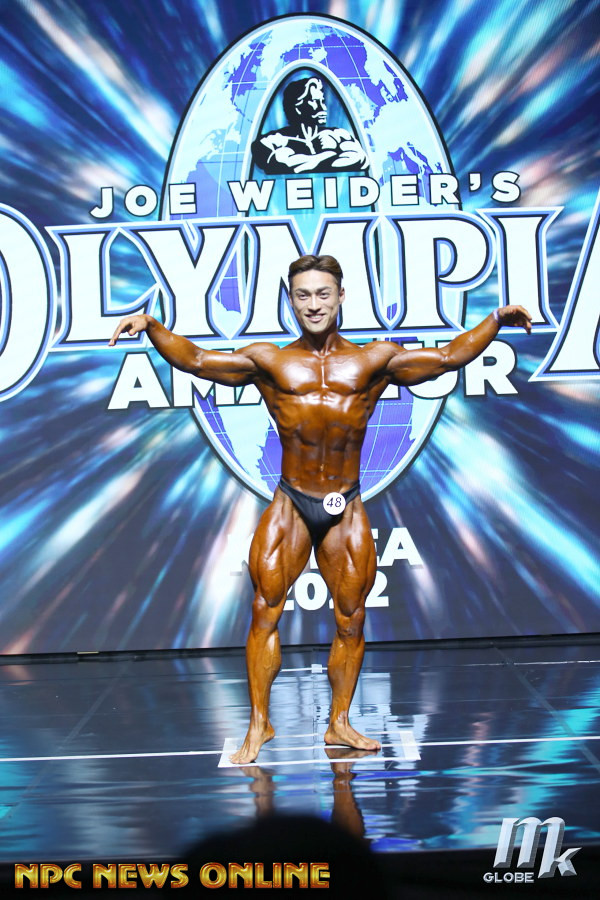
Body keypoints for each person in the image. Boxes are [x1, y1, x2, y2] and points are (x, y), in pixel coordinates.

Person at [109, 254, 532, 765]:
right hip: (292, 501)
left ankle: (340, 722)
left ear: (341, 296)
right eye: (303, 295)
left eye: (323, 293)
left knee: (351, 618)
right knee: (264, 609)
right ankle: (259, 724)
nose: (314, 304)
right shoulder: (271, 361)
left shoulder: (373, 361)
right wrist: (153, 326)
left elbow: (445, 359)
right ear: (291, 301)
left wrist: (494, 320)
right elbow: (198, 361)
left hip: (345, 504)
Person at [252, 75, 368, 173]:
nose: (323, 108)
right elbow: (283, 165)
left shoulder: (338, 135)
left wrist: (312, 161)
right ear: (297, 107)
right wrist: (329, 153)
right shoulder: (272, 141)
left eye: (322, 101)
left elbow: (361, 159)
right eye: (315, 101)